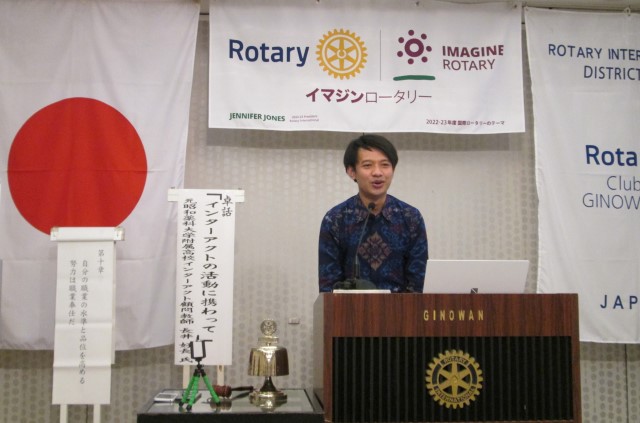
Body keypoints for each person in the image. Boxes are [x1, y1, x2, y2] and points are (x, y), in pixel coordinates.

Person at [318, 134, 428, 292]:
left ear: (393, 169)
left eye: (385, 165)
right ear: (351, 171)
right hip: (350, 307)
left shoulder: (411, 218)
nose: (377, 172)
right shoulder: (335, 219)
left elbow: (418, 283)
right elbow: (329, 287)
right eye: (368, 165)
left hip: (400, 307)